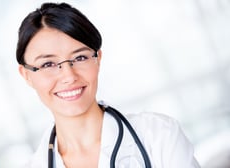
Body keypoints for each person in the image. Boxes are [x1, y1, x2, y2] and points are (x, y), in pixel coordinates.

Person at [16, 2, 200, 168]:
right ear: (26, 75)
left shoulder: (159, 135)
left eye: (80, 57)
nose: (69, 76)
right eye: (48, 64)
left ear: (98, 59)